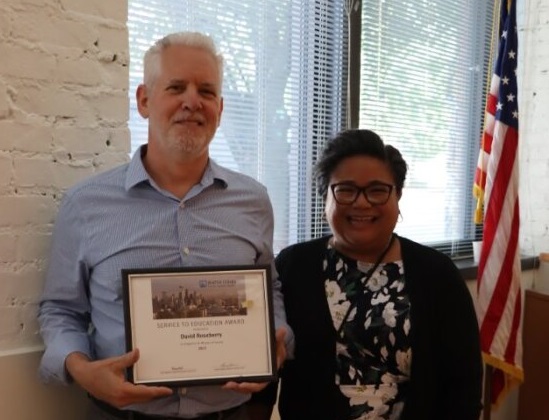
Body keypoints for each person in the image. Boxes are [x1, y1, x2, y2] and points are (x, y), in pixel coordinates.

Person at [38, 31, 293, 420]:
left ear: (220, 109)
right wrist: (80, 369)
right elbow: (61, 309)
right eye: (176, 87)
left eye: (206, 92)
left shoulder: (253, 201)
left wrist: (276, 339)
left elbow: (268, 286)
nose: (193, 101)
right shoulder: (86, 205)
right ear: (144, 100)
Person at [252, 129, 483, 419]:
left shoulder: (437, 274)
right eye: (346, 190)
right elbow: (269, 359)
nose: (361, 203)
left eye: (377, 190)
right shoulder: (293, 265)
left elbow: (463, 384)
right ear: (326, 197)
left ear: (398, 196)